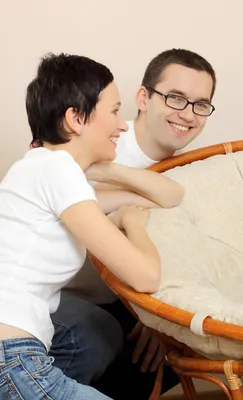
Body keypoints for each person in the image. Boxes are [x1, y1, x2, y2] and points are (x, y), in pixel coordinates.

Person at [0, 53, 184, 399]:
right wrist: (134, 225)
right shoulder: (57, 172)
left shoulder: (46, 170)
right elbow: (146, 276)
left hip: (15, 356)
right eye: (114, 111)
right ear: (75, 118)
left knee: (96, 333)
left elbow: (171, 195)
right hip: (12, 361)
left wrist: (101, 166)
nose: (123, 125)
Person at [49, 48, 217, 399]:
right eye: (175, 98)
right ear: (143, 98)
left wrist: (156, 320)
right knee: (94, 337)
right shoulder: (94, 143)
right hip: (54, 294)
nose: (187, 114)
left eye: (201, 104)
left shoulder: (187, 173)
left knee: (179, 345)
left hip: (120, 300)